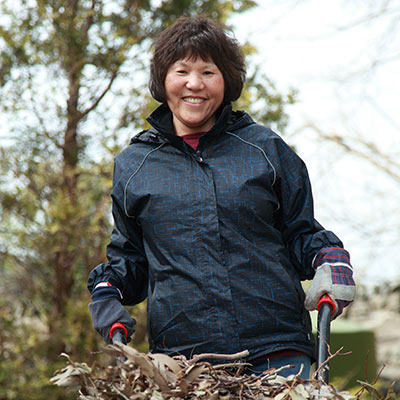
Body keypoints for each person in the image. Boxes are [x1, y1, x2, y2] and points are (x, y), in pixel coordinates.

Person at [87, 16, 356, 379]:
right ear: (163, 81)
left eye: (208, 72)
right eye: (182, 71)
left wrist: (329, 257)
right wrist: (107, 290)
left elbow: (300, 231)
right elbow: (131, 260)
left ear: (226, 81)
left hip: (277, 351)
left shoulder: (264, 148)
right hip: (182, 363)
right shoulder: (135, 165)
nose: (194, 84)